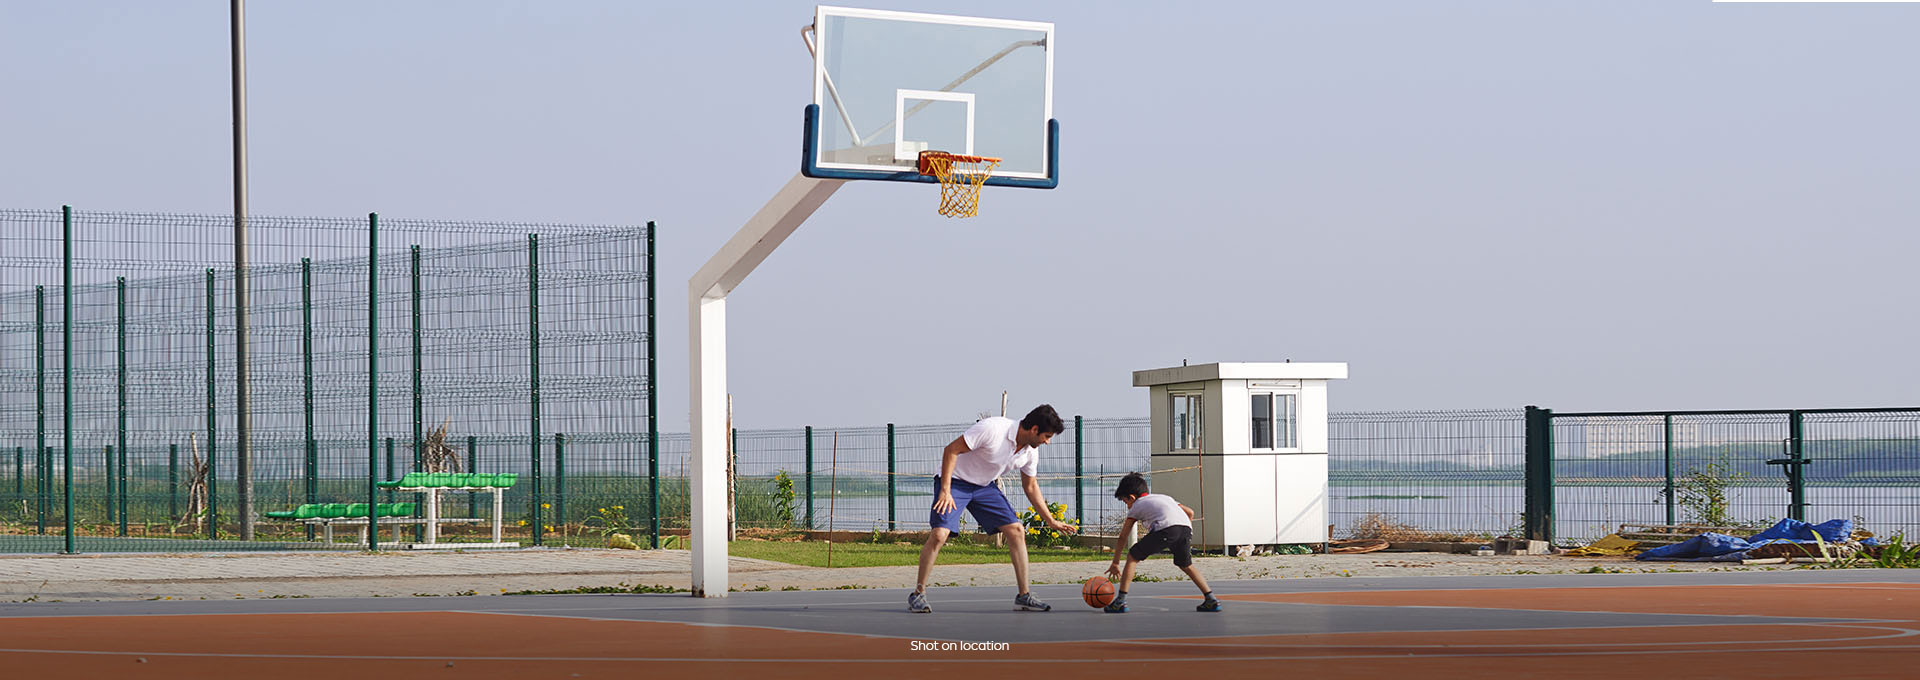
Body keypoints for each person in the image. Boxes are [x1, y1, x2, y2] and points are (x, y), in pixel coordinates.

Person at [909, 404, 1076, 614]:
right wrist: (945, 490)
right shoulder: (993, 429)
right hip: (955, 482)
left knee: (1016, 531)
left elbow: (1031, 486)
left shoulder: (1030, 452)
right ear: (1034, 429)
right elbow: (951, 450)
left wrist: (1051, 521)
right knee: (940, 534)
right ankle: (918, 594)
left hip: (984, 486)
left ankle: (1024, 596)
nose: (1047, 442)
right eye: (1046, 436)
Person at [1102, 472, 1221, 613]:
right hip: (1185, 530)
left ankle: (1120, 602)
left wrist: (1115, 563)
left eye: (1125, 501)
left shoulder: (1137, 505)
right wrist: (1182, 532)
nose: (1127, 506)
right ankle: (1211, 599)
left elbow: (1123, 536)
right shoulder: (1165, 498)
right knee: (1186, 565)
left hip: (1166, 530)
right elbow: (1190, 512)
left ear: (1132, 497)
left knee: (1132, 556)